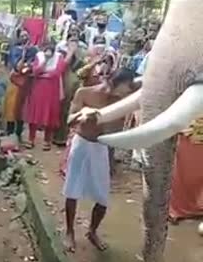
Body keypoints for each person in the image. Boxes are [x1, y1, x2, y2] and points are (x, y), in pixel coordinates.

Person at [63, 68, 136, 253]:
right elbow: (69, 120)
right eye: (126, 87)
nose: (128, 92)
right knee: (72, 190)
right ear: (113, 83)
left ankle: (92, 231)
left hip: (102, 147)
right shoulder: (85, 92)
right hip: (82, 144)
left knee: (103, 197)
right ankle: (70, 232)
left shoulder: (121, 102)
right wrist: (84, 114)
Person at [23, 41, 77, 150]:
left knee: (50, 114)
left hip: (52, 89)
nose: (48, 53)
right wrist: (45, 61)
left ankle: (47, 140)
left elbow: (57, 72)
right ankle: (31, 138)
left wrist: (44, 75)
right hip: (38, 88)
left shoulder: (59, 57)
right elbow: (36, 70)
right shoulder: (39, 56)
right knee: (35, 113)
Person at [3, 31, 38, 140]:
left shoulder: (34, 50)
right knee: (11, 106)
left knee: (22, 108)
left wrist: (28, 65)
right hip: (15, 82)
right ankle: (9, 132)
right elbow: (17, 67)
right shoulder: (14, 50)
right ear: (19, 38)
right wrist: (23, 53)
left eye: (26, 35)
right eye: (22, 36)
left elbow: (34, 64)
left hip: (27, 82)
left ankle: (18, 134)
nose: (24, 37)